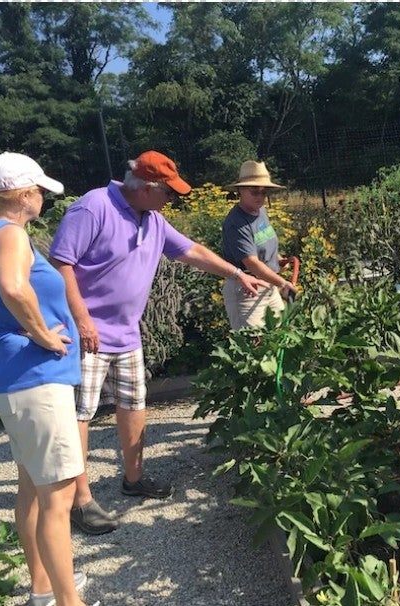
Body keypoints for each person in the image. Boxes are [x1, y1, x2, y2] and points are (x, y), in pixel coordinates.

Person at [49, 150, 264, 535]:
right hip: (89, 334)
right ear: (148, 188)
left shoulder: (154, 219)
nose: (173, 199)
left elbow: (192, 251)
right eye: (169, 193)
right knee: (79, 415)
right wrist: (82, 321)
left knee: (133, 405)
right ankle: (80, 501)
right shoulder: (92, 208)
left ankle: (134, 480)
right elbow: (61, 263)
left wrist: (235, 273)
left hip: (127, 333)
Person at [0, 152, 96, 606]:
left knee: (32, 485)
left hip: (10, 376)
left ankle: (43, 589)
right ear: (24, 194)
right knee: (59, 496)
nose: (41, 199)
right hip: (35, 377)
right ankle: (68, 603)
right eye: (38, 191)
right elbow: (14, 288)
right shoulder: (12, 234)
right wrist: (40, 335)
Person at [221, 160, 298, 330]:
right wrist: (283, 283)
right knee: (253, 347)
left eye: (264, 192)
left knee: (282, 335)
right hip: (248, 289)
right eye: (255, 191)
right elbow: (252, 264)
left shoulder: (260, 212)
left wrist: (276, 259)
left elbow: (264, 242)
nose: (260, 196)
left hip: (268, 284)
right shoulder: (237, 223)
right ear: (240, 190)